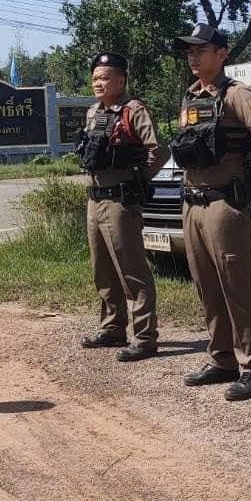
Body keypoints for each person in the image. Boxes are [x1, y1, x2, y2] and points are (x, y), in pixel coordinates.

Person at [167, 22, 251, 400]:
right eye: (189, 51)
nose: (193, 56)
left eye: (201, 49)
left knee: (236, 285)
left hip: (224, 203)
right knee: (206, 284)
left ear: (221, 53)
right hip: (194, 202)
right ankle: (222, 359)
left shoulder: (236, 94)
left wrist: (245, 167)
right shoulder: (191, 95)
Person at [77, 51, 168, 361]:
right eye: (95, 79)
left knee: (132, 271)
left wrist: (138, 179)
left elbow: (159, 150)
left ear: (120, 81)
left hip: (120, 201)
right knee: (102, 269)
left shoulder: (133, 110)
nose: (98, 83)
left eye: (104, 78)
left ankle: (145, 338)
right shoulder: (94, 112)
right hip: (95, 200)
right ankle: (112, 328)